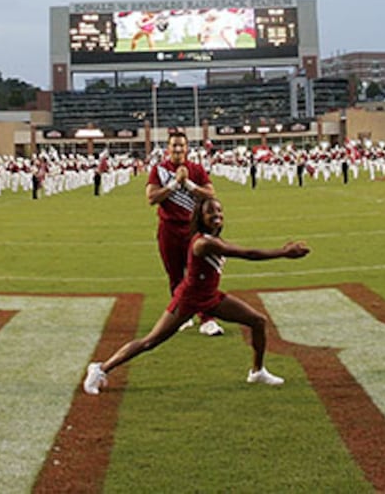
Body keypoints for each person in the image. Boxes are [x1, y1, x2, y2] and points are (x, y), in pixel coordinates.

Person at [83, 197, 309, 394]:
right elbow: (247, 254)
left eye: (219, 210)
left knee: (258, 321)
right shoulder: (203, 243)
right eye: (210, 211)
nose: (217, 215)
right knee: (149, 342)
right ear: (200, 217)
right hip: (188, 300)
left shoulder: (213, 238)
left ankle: (257, 371)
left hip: (210, 297)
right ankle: (101, 369)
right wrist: (284, 252)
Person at [147, 130, 222, 335]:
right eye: (174, 145)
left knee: (200, 274)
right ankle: (181, 316)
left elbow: (210, 193)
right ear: (168, 148)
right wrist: (174, 184)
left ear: (187, 148)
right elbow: (152, 197)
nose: (178, 149)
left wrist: (188, 184)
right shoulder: (159, 170)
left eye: (182, 145)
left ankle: (207, 318)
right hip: (169, 229)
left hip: (193, 230)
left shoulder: (196, 169)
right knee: (175, 274)